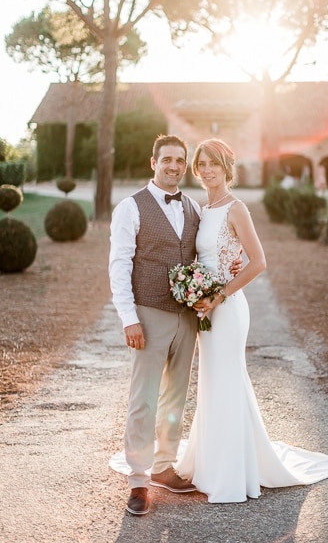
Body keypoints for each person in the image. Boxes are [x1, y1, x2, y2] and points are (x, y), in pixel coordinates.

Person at [173, 138, 328, 503]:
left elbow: (259, 262)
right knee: (213, 383)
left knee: (227, 380)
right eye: (202, 164)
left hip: (228, 309)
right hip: (205, 309)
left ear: (226, 168)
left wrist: (218, 295)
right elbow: (213, 258)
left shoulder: (237, 209)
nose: (206, 171)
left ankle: (232, 472)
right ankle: (211, 463)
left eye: (214, 165)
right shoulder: (206, 209)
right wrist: (196, 292)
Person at [108, 134, 204, 516]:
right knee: (143, 399)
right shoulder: (130, 208)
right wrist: (129, 318)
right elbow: (119, 265)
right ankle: (138, 479)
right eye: (167, 159)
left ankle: (164, 466)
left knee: (175, 397)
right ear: (153, 163)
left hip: (187, 319)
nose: (173, 166)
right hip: (148, 314)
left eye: (180, 160)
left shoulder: (194, 206)